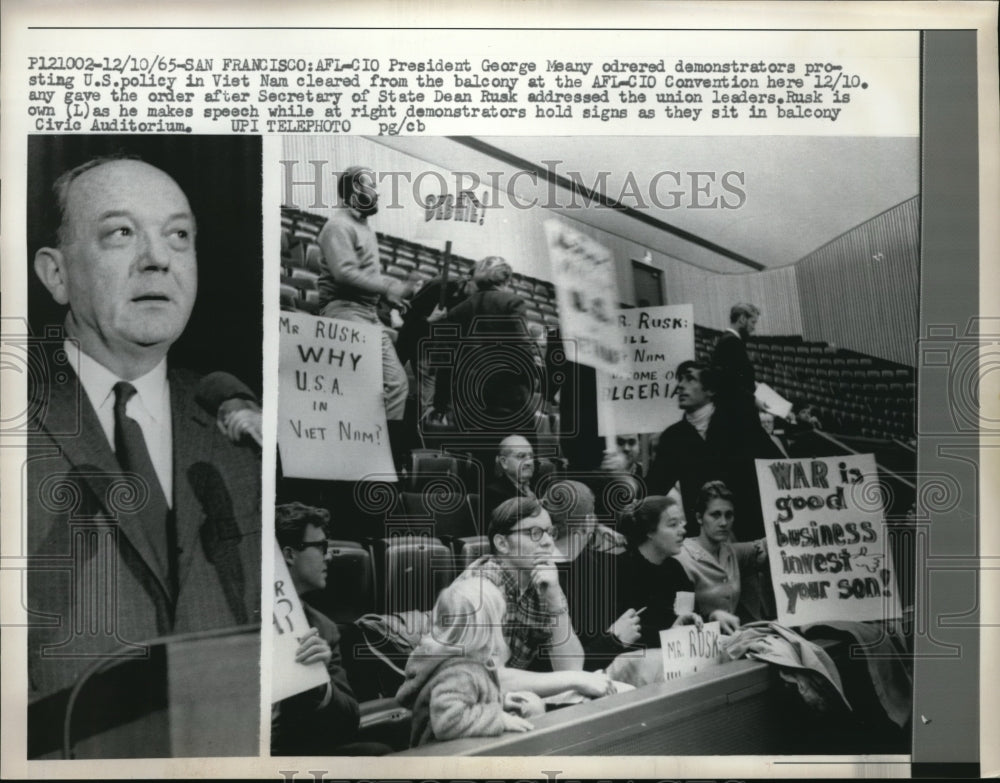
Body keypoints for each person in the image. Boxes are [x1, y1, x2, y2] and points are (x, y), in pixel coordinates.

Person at [27, 156, 261, 718]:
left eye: (179, 236)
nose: (158, 259)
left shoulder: (239, 431)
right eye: (121, 233)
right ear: (56, 274)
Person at [459, 497, 615, 698]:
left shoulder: (541, 581)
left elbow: (571, 666)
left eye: (550, 532)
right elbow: (486, 677)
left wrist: (555, 599)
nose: (548, 542)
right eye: (534, 533)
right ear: (502, 543)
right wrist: (576, 679)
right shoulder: (480, 588)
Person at [272, 502, 390, 756]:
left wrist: (321, 682)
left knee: (377, 752)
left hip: (289, 753)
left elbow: (349, 720)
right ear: (289, 554)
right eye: (320, 547)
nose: (327, 557)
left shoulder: (324, 629)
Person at [316, 165, 415, 422]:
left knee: (392, 385)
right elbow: (344, 272)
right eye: (371, 187)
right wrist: (387, 287)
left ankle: (374, 440)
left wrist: (387, 296)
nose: (377, 194)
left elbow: (363, 274)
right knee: (389, 385)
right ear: (354, 192)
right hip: (345, 312)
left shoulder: (364, 227)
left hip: (367, 314)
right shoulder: (338, 226)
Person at [395, 578, 540, 747]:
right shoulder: (459, 673)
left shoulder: (467, 663)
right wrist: (498, 719)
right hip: (446, 756)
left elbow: (470, 698)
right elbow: (447, 721)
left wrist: (500, 700)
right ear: (481, 631)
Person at [429, 255, 540, 472]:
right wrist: (530, 381)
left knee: (484, 464)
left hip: (470, 401)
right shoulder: (512, 302)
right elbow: (523, 350)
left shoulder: (456, 311)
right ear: (506, 280)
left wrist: (440, 403)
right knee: (523, 463)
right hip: (509, 398)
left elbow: (444, 362)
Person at [646, 360, 779, 539]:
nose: (680, 386)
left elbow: (776, 466)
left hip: (749, 534)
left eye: (690, 379)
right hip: (703, 540)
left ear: (710, 390)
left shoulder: (739, 425)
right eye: (680, 379)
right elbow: (654, 489)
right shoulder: (673, 437)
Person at [543, 480, 636, 670]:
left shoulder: (590, 559)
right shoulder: (547, 581)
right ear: (587, 522)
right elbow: (559, 667)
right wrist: (613, 641)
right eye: (593, 514)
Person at [675, 482, 768, 634]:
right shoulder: (682, 557)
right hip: (698, 641)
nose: (724, 522)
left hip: (733, 637)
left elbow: (768, 545)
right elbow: (679, 619)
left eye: (728, 515)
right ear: (699, 518)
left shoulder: (732, 552)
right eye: (715, 515)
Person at [616, 496, 701, 649]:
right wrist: (669, 635)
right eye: (673, 525)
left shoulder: (675, 568)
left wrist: (710, 618)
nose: (683, 531)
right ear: (650, 531)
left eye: (681, 523)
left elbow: (690, 614)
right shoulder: (621, 570)